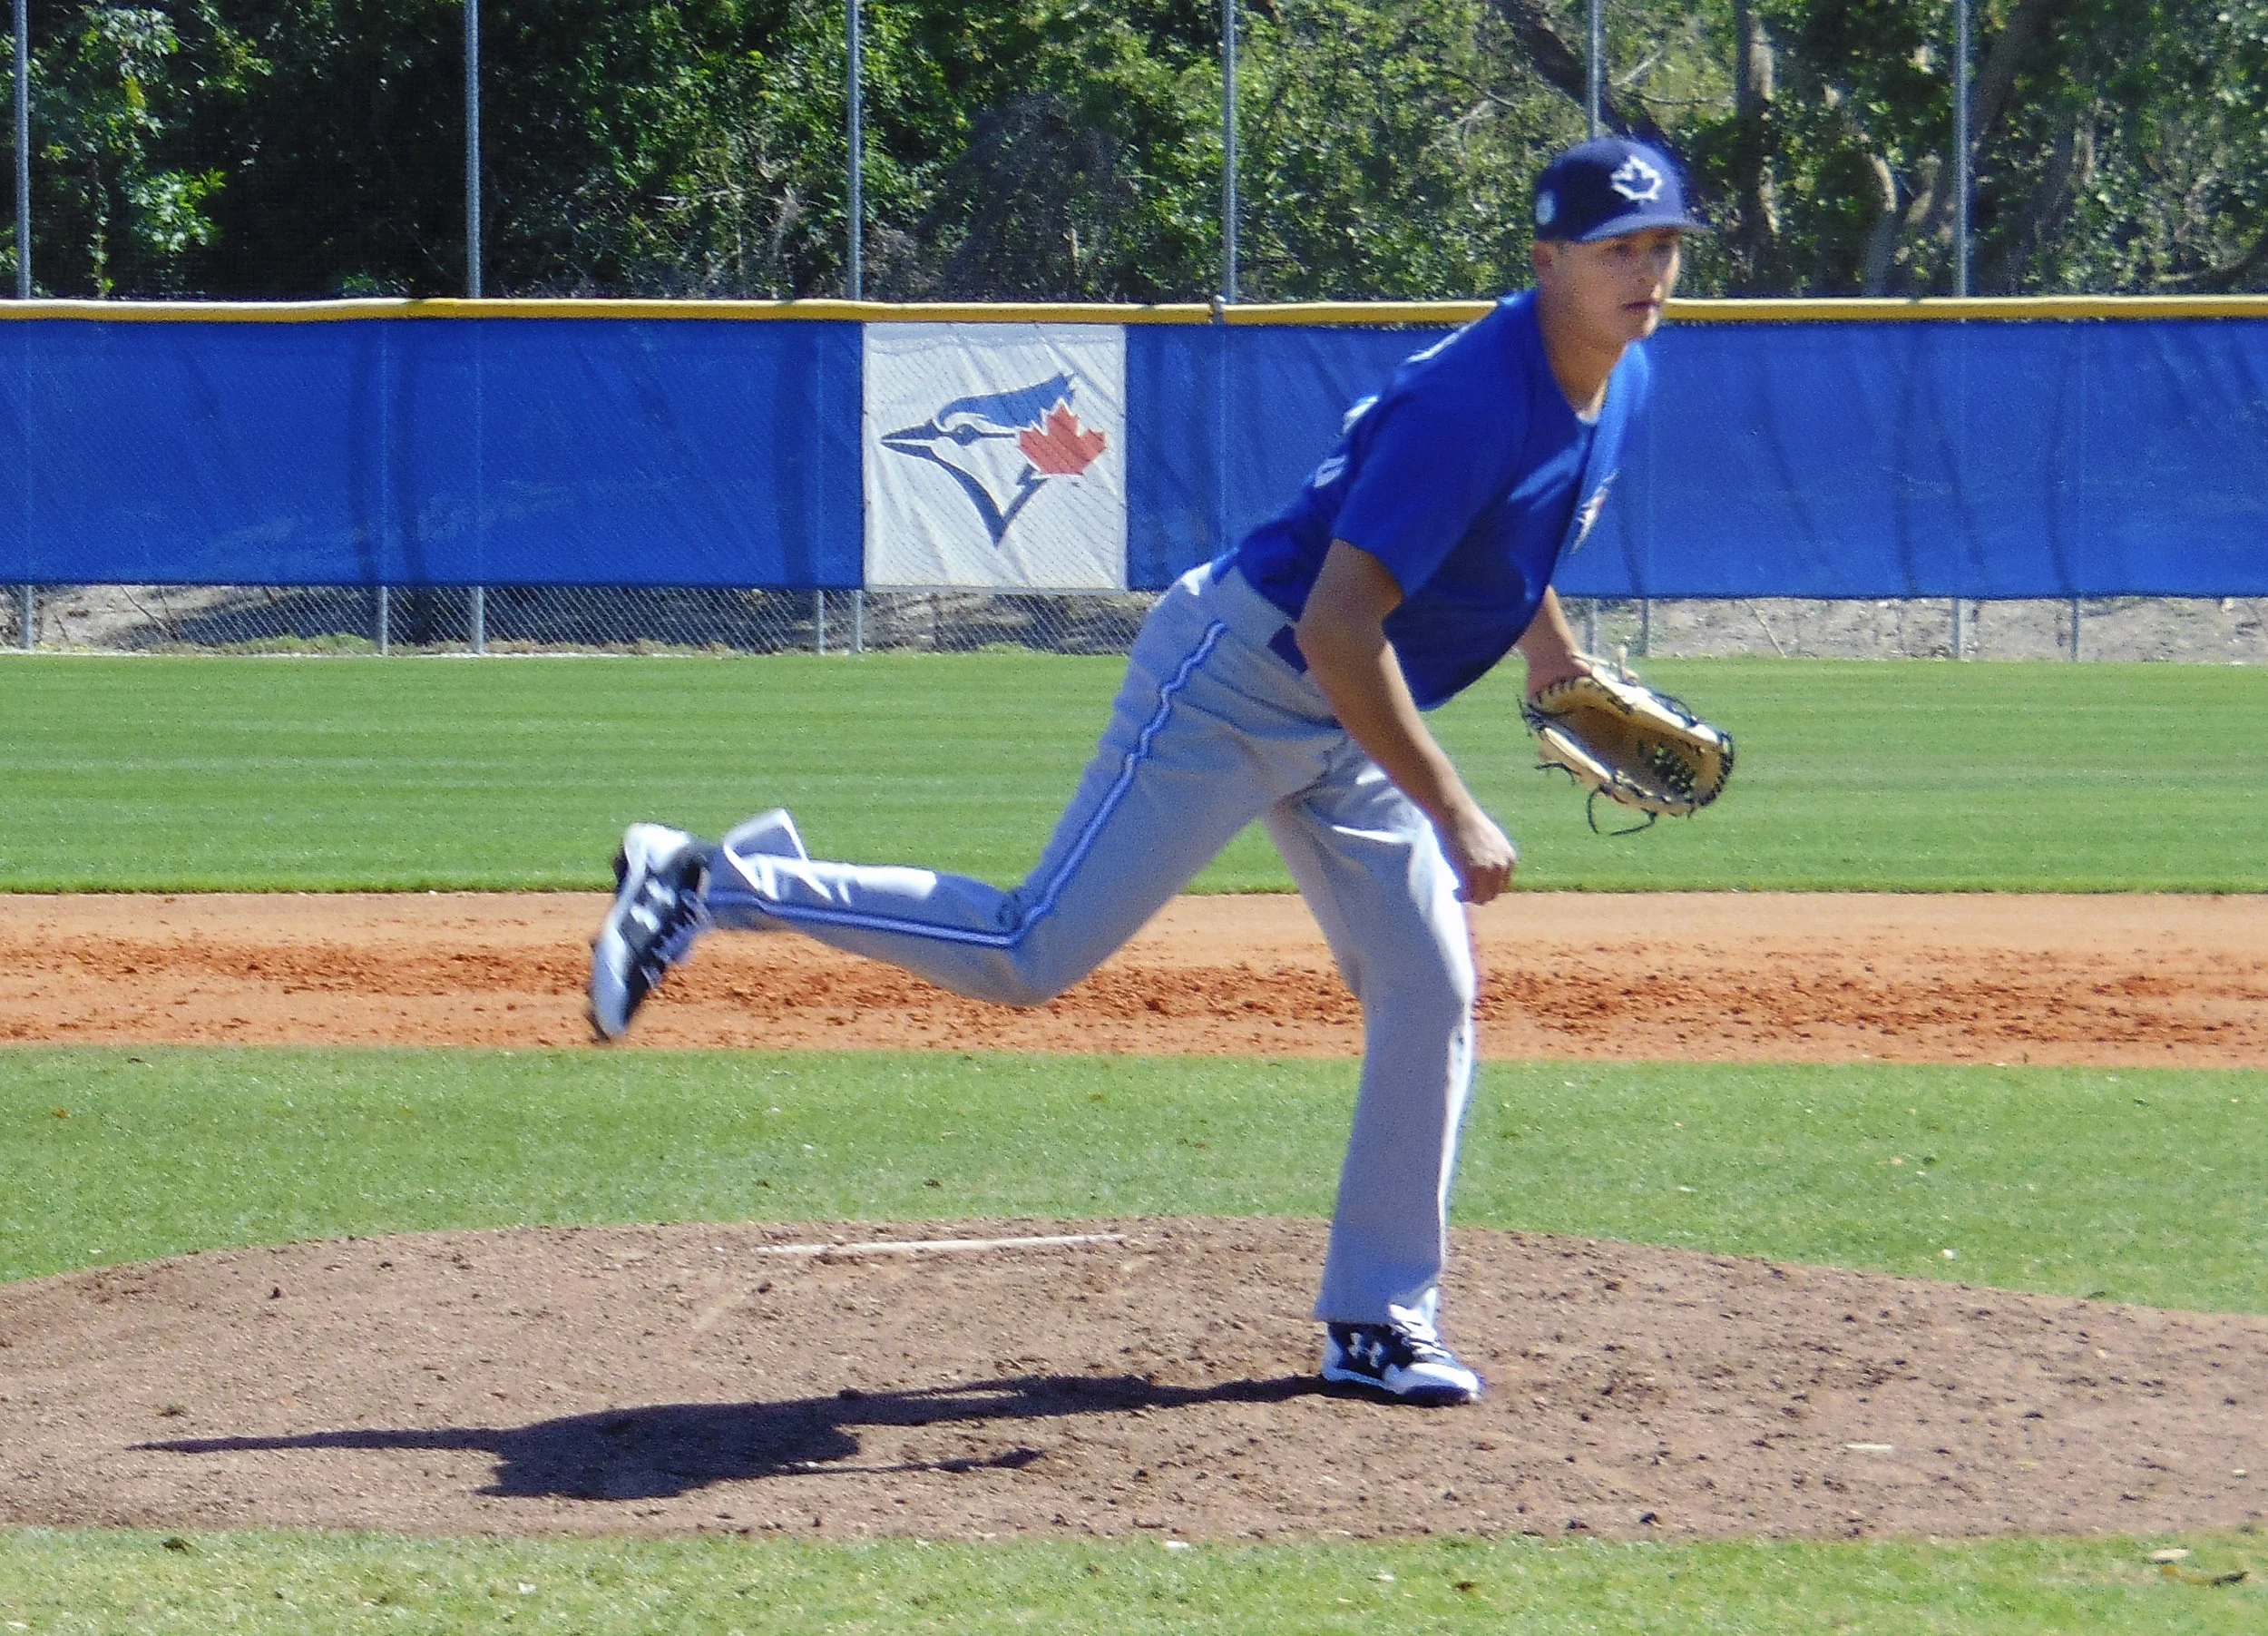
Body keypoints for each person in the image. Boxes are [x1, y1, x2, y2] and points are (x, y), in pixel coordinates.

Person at [588, 136, 1705, 1407]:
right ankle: (706, 882)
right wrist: (1452, 805)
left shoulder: (1624, 378)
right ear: (1546, 258)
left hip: (1351, 717)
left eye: (1663, 244)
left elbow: (1504, 546)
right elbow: (1342, 624)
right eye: (1618, 248)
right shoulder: (1469, 399)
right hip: (1244, 679)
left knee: (1429, 985)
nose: (1647, 270)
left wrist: (1552, 666)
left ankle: (1379, 1321)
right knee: (1031, 949)